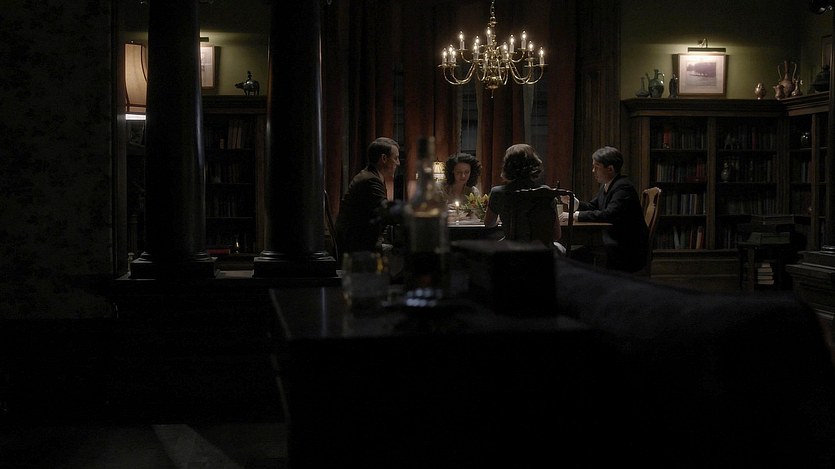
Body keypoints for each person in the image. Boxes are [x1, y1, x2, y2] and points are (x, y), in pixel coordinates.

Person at [559, 145, 648, 273]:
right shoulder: (608, 185)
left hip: (626, 248)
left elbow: (609, 214)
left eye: (596, 167)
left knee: (576, 255)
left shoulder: (623, 187)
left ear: (610, 169)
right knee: (575, 254)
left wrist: (574, 215)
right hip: (613, 241)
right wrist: (573, 202)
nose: (593, 171)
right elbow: (593, 207)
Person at [483, 143, 563, 251]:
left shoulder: (498, 192)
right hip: (542, 254)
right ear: (535, 164)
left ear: (507, 166)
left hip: (513, 253)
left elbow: (488, 224)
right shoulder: (545, 192)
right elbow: (556, 235)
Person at [334, 137, 400, 254]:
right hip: (357, 248)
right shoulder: (370, 180)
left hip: (357, 243)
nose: (398, 163)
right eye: (395, 158)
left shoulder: (369, 175)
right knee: (403, 254)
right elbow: (387, 212)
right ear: (384, 159)